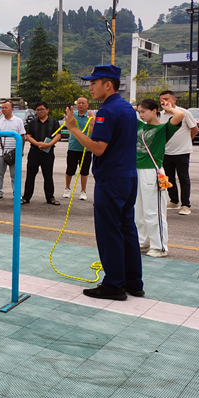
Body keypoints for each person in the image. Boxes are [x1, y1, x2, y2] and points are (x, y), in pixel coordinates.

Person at [64, 64, 142, 300]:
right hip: (128, 177)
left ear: (108, 85)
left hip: (111, 179)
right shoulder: (128, 109)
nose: (90, 87)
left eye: (94, 83)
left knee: (109, 232)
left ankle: (113, 285)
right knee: (127, 229)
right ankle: (133, 282)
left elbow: (98, 148)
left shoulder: (107, 112)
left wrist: (73, 129)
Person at [136, 99, 184, 258]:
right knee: (139, 211)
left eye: (144, 111)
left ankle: (159, 246)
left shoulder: (164, 128)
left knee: (154, 210)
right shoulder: (140, 125)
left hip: (152, 171)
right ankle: (143, 242)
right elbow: (127, 111)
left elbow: (180, 115)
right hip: (136, 171)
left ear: (154, 110)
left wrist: (169, 109)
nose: (141, 115)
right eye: (140, 112)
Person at [159, 90, 198, 216]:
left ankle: (185, 205)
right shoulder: (160, 115)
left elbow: (194, 129)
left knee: (183, 178)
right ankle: (174, 201)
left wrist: (188, 141)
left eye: (166, 99)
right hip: (166, 152)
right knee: (168, 178)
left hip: (182, 152)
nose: (164, 102)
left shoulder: (184, 113)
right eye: (161, 100)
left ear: (174, 100)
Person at [22, 101, 62, 205]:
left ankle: (50, 197)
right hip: (34, 152)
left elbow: (58, 135)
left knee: (48, 176)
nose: (40, 112)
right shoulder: (32, 122)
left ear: (47, 110)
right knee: (30, 175)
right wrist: (37, 143)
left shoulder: (53, 122)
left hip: (48, 153)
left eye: (42, 109)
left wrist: (49, 144)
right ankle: (26, 197)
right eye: (38, 110)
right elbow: (29, 136)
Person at [0, 100, 25, 200]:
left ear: (12, 109)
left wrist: (21, 150)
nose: (4, 109)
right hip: (1, 152)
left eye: (6, 107)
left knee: (15, 174)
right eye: (3, 108)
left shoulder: (18, 121)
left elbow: (22, 136)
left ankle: (16, 193)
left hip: (13, 152)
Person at [63, 97, 94, 201]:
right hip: (73, 147)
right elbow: (68, 126)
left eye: (83, 103)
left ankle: (83, 191)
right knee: (70, 169)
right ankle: (67, 189)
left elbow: (94, 130)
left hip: (86, 148)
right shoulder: (73, 115)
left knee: (84, 171)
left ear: (87, 105)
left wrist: (93, 121)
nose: (80, 105)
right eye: (79, 103)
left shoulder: (91, 116)